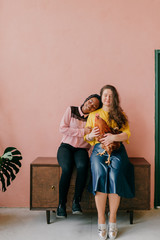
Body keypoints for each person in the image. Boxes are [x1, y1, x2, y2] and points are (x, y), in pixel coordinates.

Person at [84, 85, 135, 240]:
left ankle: (112, 218)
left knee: (116, 174)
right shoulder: (93, 115)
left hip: (117, 149)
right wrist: (91, 134)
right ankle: (101, 219)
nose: (107, 98)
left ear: (114, 98)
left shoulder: (120, 114)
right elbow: (87, 137)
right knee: (100, 174)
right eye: (105, 95)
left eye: (110, 95)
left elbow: (127, 134)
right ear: (101, 97)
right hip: (99, 149)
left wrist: (113, 137)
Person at [56, 94, 102, 218]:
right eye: (91, 101)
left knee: (83, 167)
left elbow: (94, 137)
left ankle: (76, 202)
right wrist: (82, 132)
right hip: (66, 146)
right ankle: (61, 205)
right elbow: (62, 128)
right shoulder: (71, 110)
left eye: (95, 105)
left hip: (82, 149)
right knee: (66, 168)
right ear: (87, 99)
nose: (91, 104)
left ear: (95, 109)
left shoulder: (93, 118)